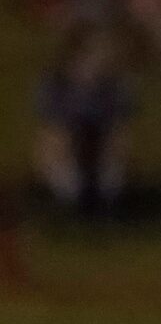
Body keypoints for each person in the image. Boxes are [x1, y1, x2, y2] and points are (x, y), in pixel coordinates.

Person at [33, 17, 135, 217]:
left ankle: (103, 197)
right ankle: (74, 197)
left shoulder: (115, 87)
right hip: (68, 150)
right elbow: (51, 132)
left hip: (102, 149)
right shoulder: (55, 85)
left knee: (109, 162)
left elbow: (119, 132)